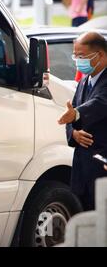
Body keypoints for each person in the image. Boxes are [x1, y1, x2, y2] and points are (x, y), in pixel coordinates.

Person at [58, 31, 107, 211]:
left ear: (99, 55)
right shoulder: (84, 81)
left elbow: (100, 103)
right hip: (82, 169)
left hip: (102, 167)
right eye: (75, 55)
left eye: (81, 56)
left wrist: (76, 114)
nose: (77, 60)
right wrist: (74, 133)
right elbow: (71, 114)